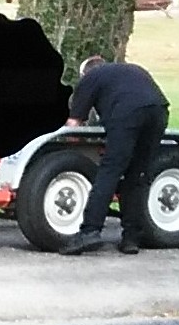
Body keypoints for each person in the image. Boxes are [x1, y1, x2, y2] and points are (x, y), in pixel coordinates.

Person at [64, 54, 170, 253]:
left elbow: (73, 124)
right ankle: (131, 239)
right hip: (158, 111)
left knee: (110, 171)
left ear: (84, 73)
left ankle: (89, 231)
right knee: (137, 176)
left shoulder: (90, 78)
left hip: (126, 114)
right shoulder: (131, 69)